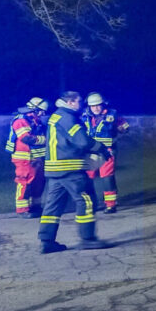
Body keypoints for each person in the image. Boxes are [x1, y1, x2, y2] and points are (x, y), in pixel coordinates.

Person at [37, 91, 113, 253]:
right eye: (79, 102)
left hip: (54, 170)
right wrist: (101, 148)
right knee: (86, 201)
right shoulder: (68, 118)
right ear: (71, 102)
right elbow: (82, 140)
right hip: (70, 169)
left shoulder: (56, 116)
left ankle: (46, 241)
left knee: (52, 207)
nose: (81, 105)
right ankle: (88, 239)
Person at [82, 92, 130, 213]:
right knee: (88, 177)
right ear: (89, 107)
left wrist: (122, 129)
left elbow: (125, 126)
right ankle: (90, 204)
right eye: (93, 106)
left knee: (107, 177)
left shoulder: (112, 114)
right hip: (90, 152)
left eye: (98, 105)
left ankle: (111, 204)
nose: (96, 108)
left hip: (107, 152)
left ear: (103, 104)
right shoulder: (83, 116)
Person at [6, 97, 48, 217]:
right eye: (41, 111)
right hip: (24, 158)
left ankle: (35, 206)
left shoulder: (35, 120)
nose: (43, 114)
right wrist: (46, 140)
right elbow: (27, 138)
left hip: (37, 158)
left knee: (39, 182)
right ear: (34, 109)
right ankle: (22, 210)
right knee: (25, 182)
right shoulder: (20, 120)